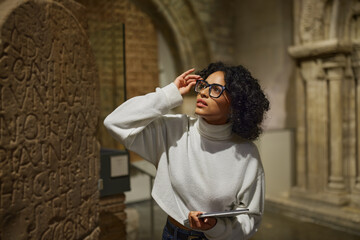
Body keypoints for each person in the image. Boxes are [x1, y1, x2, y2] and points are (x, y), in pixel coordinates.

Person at [104, 62, 270, 240]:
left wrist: (216, 227)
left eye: (215, 89)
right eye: (204, 86)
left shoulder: (246, 153)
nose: (204, 92)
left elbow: (251, 218)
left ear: (235, 104)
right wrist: (169, 94)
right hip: (173, 235)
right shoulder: (175, 130)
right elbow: (115, 122)